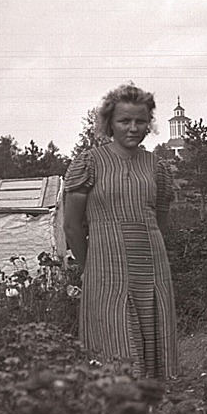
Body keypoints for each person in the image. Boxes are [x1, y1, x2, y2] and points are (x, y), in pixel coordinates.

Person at [63, 83, 178, 379]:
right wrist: (89, 267)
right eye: (124, 121)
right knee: (115, 344)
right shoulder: (90, 162)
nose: (133, 128)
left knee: (151, 348)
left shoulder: (156, 166)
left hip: (151, 266)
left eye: (140, 121)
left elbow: (161, 221)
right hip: (106, 266)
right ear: (109, 123)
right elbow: (72, 225)